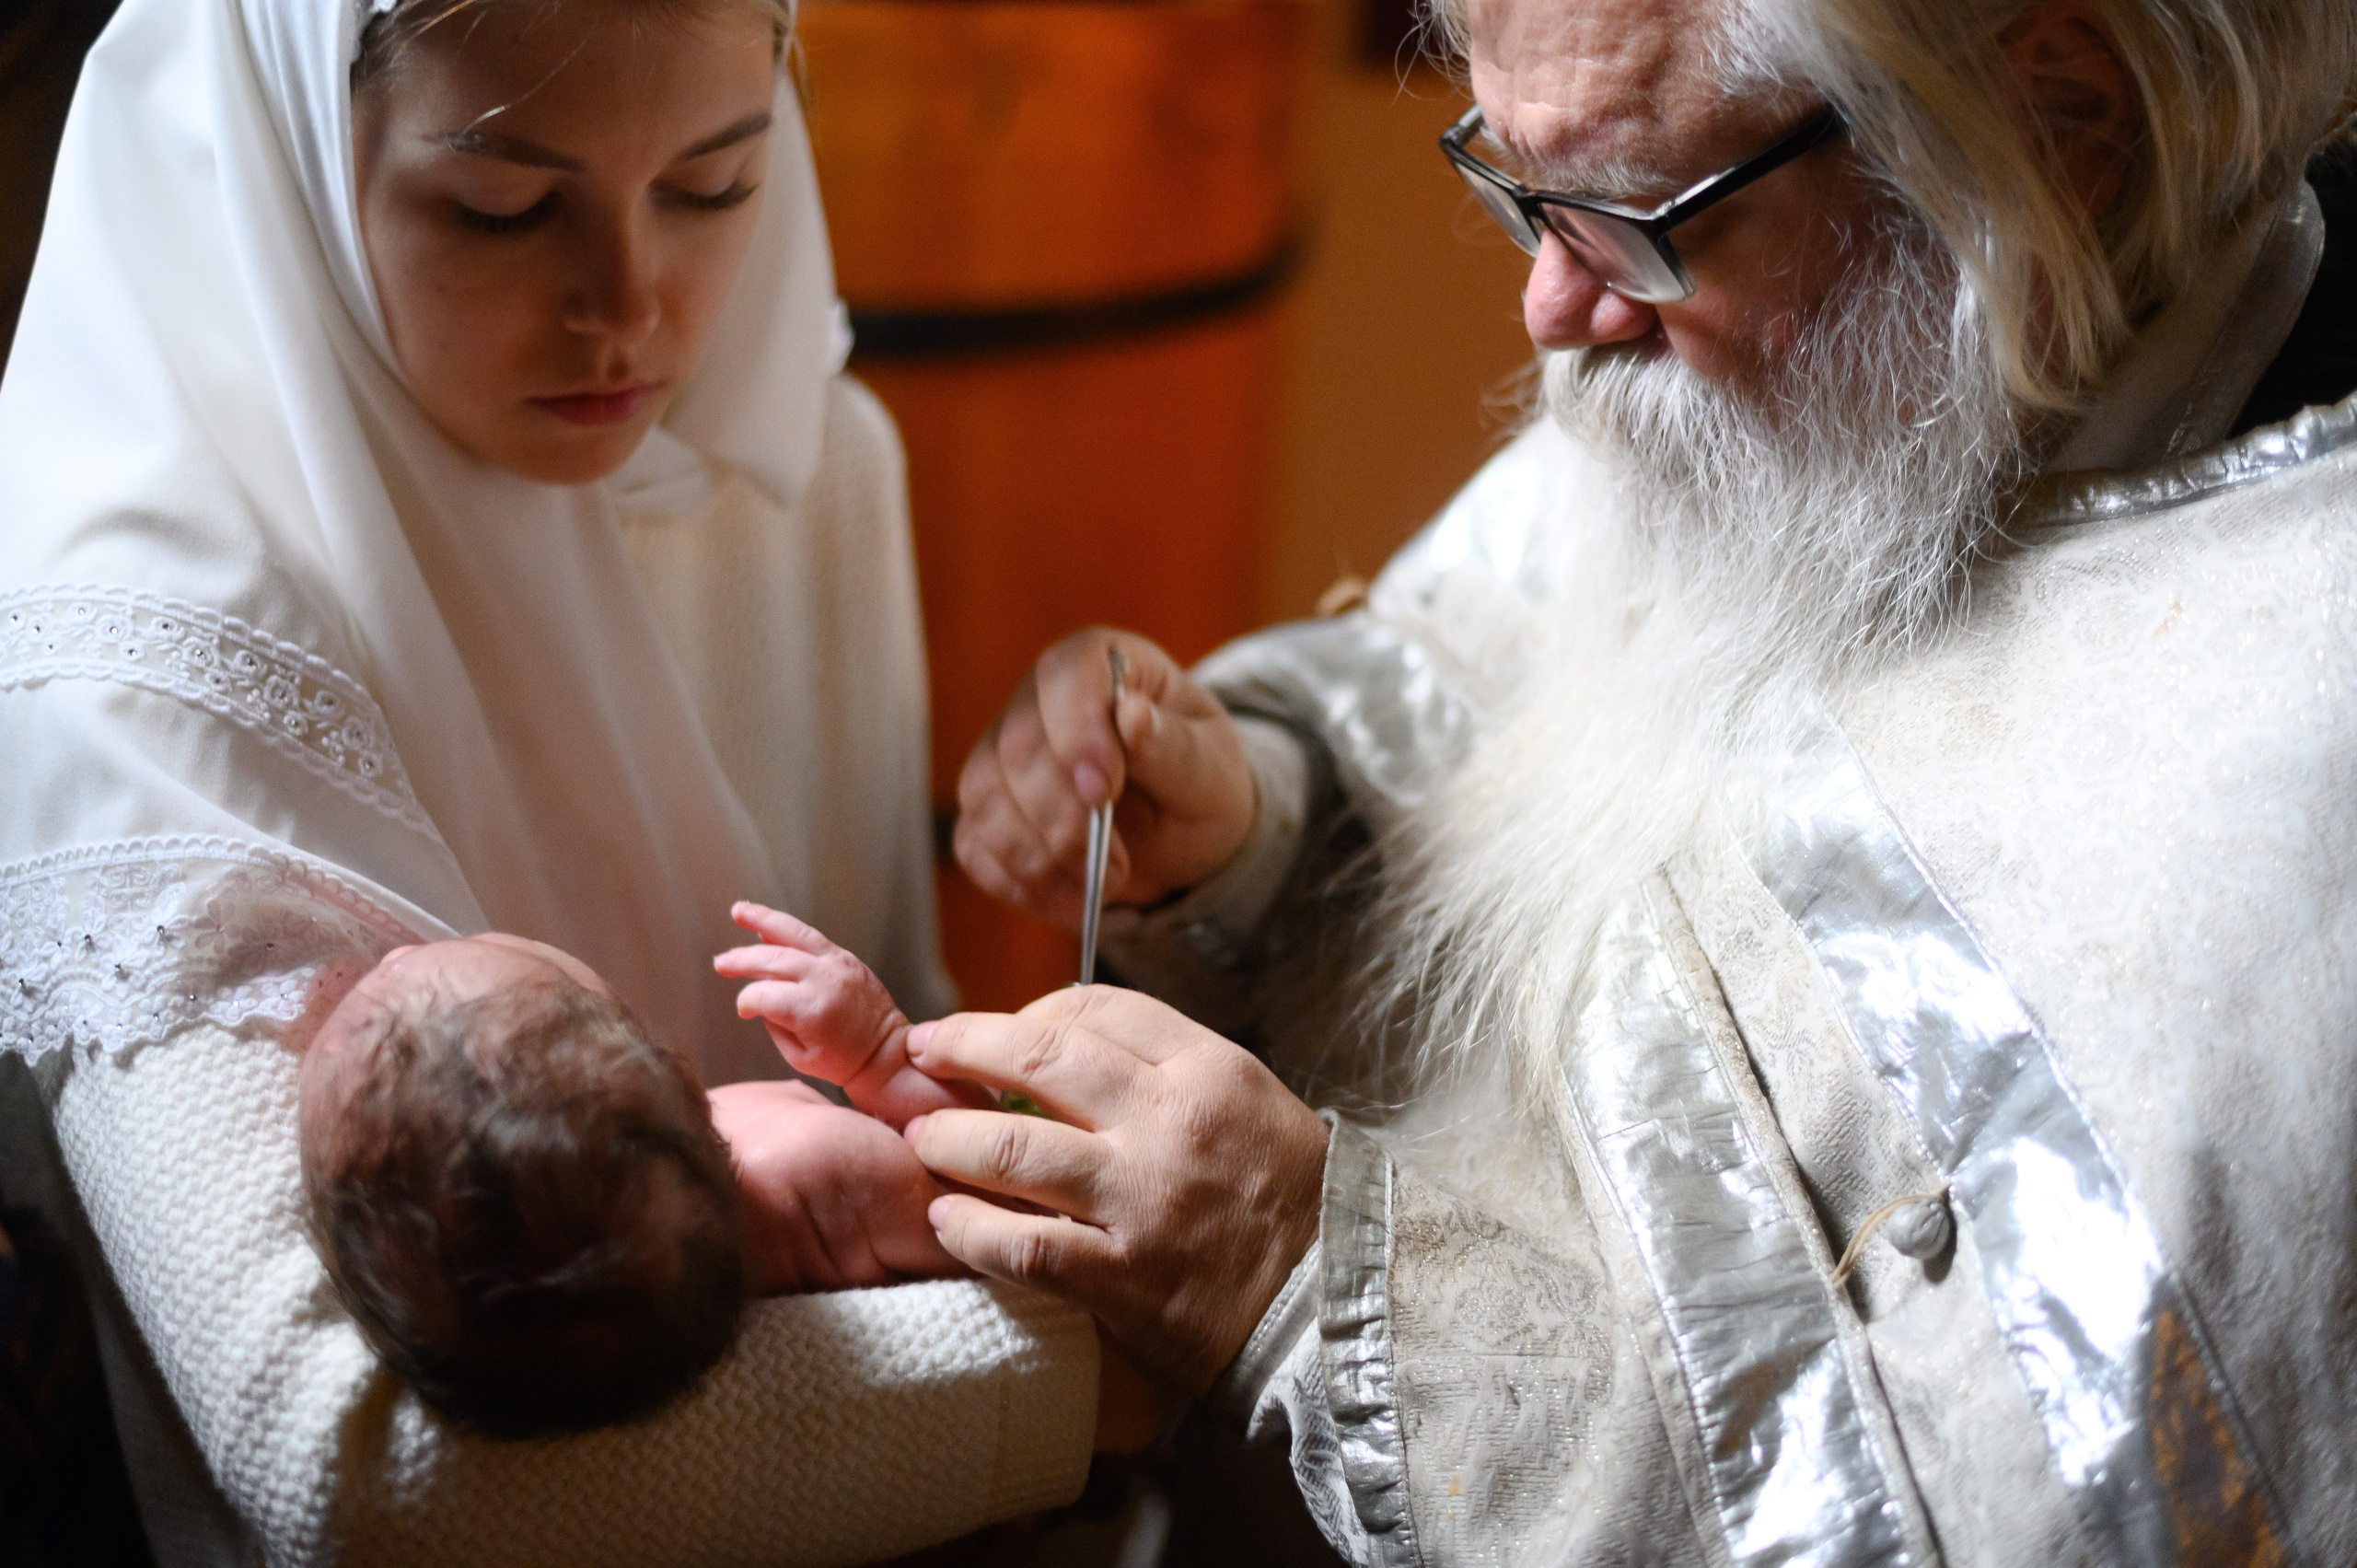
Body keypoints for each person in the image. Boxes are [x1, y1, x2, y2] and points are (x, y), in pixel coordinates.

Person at [925, 0, 2357, 1562]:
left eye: (1622, 214)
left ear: (2060, 130)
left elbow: (1999, 1514)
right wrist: (1260, 815)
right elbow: (1485, 667)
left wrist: (1311, 1283)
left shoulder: (2294, 758)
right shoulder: (1839, 333)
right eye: (1513, 187)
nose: (1549, 305)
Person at [0, 0, 1108, 1561]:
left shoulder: (797, 469)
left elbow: (901, 1024)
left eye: (715, 183)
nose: (631, 309)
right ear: (293, 144)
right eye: (503, 206)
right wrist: (1100, 1371)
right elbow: (355, 1473)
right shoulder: (136, 658)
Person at [297, 917, 971, 1441]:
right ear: (676, 1069)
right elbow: (988, 1211)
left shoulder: (635, 1232)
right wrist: (882, 1055)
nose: (393, 953)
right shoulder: (817, 1170)